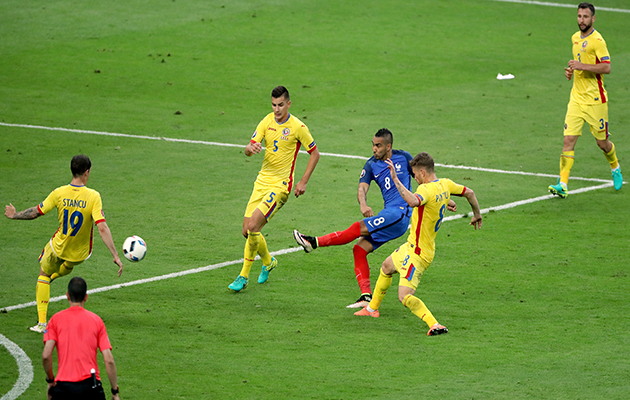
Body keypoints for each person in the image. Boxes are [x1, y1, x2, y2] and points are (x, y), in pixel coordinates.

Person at [294, 129, 457, 308]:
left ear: (388, 146)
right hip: (390, 216)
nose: (374, 149)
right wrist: (363, 204)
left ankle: (313, 242)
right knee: (359, 249)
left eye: (378, 145)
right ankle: (365, 297)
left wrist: (443, 198)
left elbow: (424, 178)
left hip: (399, 213)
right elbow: (362, 188)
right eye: (372, 144)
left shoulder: (403, 157)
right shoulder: (371, 165)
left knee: (357, 228)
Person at [354, 152, 482, 337]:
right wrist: (476, 214)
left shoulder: (425, 190)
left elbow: (414, 201)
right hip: (411, 246)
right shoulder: (445, 184)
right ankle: (372, 309)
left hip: (418, 254)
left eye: (414, 175)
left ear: (422, 172)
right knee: (387, 266)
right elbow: (469, 193)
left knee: (404, 296)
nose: (414, 178)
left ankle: (434, 324)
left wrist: (396, 180)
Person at [4, 155, 123, 333]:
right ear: (87, 172)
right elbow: (102, 228)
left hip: (58, 248)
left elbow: (35, 212)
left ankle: (42, 323)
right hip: (80, 254)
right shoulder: (93, 196)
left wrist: (14, 215)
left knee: (43, 274)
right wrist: (115, 255)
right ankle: (54, 277)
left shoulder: (59, 193)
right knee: (68, 265)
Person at [228, 86, 320, 292]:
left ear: (288, 103)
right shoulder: (266, 121)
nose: (276, 109)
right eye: (273, 105)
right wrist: (250, 149)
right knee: (247, 231)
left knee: (253, 226)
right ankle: (269, 262)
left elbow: (315, 154)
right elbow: (248, 149)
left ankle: (243, 276)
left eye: (280, 105)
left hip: (280, 186)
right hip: (261, 182)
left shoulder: (298, 127)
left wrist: (303, 181)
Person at [549, 2, 622, 198]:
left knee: (602, 143)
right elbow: (580, 65)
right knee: (568, 140)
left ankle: (615, 166)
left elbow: (606, 67)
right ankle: (563, 184)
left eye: (586, 17)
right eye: (579, 16)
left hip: (595, 100)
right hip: (576, 99)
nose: (582, 20)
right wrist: (571, 71)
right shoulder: (574, 38)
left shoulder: (598, 41)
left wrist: (581, 65)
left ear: (593, 19)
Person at [43, 277, 120, 400]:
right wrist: (114, 391)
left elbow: (46, 355)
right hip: (90, 387)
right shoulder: (97, 321)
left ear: (67, 296)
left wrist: (50, 381)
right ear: (86, 297)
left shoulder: (55, 320)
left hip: (63, 388)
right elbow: (109, 360)